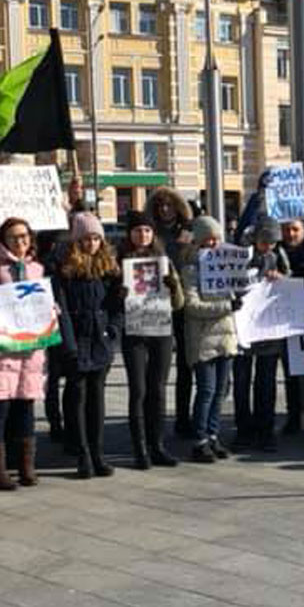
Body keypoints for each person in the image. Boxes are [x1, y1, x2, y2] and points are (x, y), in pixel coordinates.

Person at [0, 217, 45, 490]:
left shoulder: (37, 268)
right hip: (0, 351)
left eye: (24, 236)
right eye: (14, 237)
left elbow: (43, 302)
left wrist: (50, 312)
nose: (20, 241)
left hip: (29, 352)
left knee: (25, 407)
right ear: (4, 240)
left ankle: (26, 466)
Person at [57, 212, 124, 479]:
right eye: (87, 238)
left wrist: (112, 332)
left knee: (97, 401)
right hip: (77, 341)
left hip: (100, 341)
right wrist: (69, 346)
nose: (92, 243)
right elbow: (61, 309)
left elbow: (116, 306)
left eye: (97, 238)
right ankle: (82, 453)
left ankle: (98, 452)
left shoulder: (108, 268)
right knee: (78, 398)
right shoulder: (66, 270)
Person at [119, 211, 186, 469]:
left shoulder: (164, 261)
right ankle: (140, 448)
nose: (142, 235)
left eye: (147, 230)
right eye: (137, 230)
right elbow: (112, 304)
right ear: (129, 234)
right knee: (138, 390)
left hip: (160, 330)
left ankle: (157, 445)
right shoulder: (120, 260)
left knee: (157, 390)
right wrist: (120, 292)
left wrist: (173, 286)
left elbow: (179, 305)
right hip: (134, 332)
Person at [180, 216, 238, 463]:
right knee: (206, 390)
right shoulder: (191, 269)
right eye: (207, 240)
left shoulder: (226, 266)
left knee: (221, 391)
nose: (213, 244)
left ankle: (214, 436)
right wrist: (227, 305)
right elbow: (192, 306)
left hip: (225, 337)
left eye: (216, 239)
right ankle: (200, 440)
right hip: (203, 339)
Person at [233, 217, 290, 453]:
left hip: (268, 329)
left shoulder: (278, 257)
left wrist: (281, 279)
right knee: (242, 381)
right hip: (244, 327)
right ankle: (244, 429)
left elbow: (290, 282)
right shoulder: (239, 255)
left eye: (273, 243)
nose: (268, 246)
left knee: (266, 382)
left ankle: (266, 430)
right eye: (265, 241)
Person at [146, 187, 195, 440]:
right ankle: (155, 420)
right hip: (156, 303)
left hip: (184, 301)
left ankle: (183, 417)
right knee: (159, 366)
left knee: (186, 364)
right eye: (160, 205)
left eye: (169, 205)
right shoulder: (150, 232)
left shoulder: (188, 231)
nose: (165, 209)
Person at [279, 214, 304, 435]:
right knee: (290, 372)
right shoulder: (277, 252)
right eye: (286, 230)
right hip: (285, 320)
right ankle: (294, 416)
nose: (290, 234)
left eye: (295, 229)